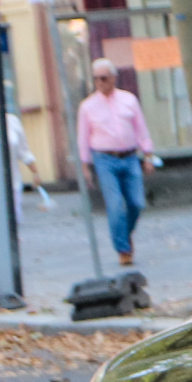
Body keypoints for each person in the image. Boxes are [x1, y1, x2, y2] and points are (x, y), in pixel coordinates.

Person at [76, 59, 157, 266]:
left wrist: (148, 155)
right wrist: (84, 166)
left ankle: (124, 234)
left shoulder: (129, 100)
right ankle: (123, 249)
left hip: (130, 157)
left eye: (104, 78)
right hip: (104, 159)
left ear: (113, 78)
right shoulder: (87, 106)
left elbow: (141, 128)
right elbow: (83, 138)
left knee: (136, 203)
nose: (100, 83)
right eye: (96, 79)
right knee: (114, 206)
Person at [5, 108, 56, 211]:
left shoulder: (12, 121)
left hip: (13, 182)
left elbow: (23, 151)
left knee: (14, 216)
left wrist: (35, 173)